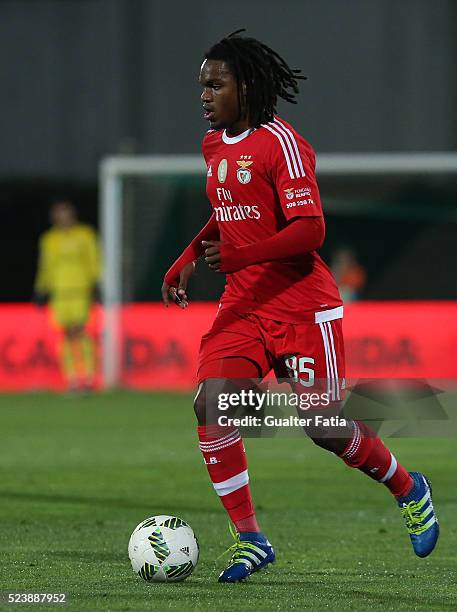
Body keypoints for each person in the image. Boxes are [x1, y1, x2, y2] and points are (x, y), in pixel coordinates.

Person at [162, 31, 439, 583]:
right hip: (244, 305)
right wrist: (188, 255)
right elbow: (231, 211)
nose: (205, 95)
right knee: (210, 404)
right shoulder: (213, 145)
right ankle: (251, 539)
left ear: (247, 85)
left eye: (216, 84)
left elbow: (311, 230)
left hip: (301, 306)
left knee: (323, 427)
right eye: (202, 86)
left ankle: (409, 487)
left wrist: (242, 254)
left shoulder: (282, 143)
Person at [34, 199, 100, 391]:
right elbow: (45, 266)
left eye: (65, 213)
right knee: (65, 334)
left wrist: (96, 283)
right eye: (58, 214)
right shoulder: (49, 239)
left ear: (72, 215)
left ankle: (88, 377)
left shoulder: (85, 235)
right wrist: (40, 288)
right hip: (59, 291)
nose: (62, 217)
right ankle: (71, 379)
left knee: (80, 330)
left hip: (80, 288)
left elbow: (93, 259)